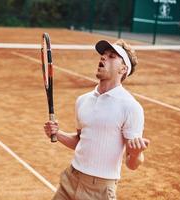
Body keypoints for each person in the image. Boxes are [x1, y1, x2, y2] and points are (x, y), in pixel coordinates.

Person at [44, 39, 150, 200]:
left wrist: (135, 154)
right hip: (70, 179)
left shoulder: (131, 107)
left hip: (100, 190)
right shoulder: (83, 100)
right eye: (103, 55)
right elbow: (81, 140)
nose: (103, 58)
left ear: (124, 69)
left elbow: (132, 164)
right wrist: (58, 134)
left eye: (112, 56)